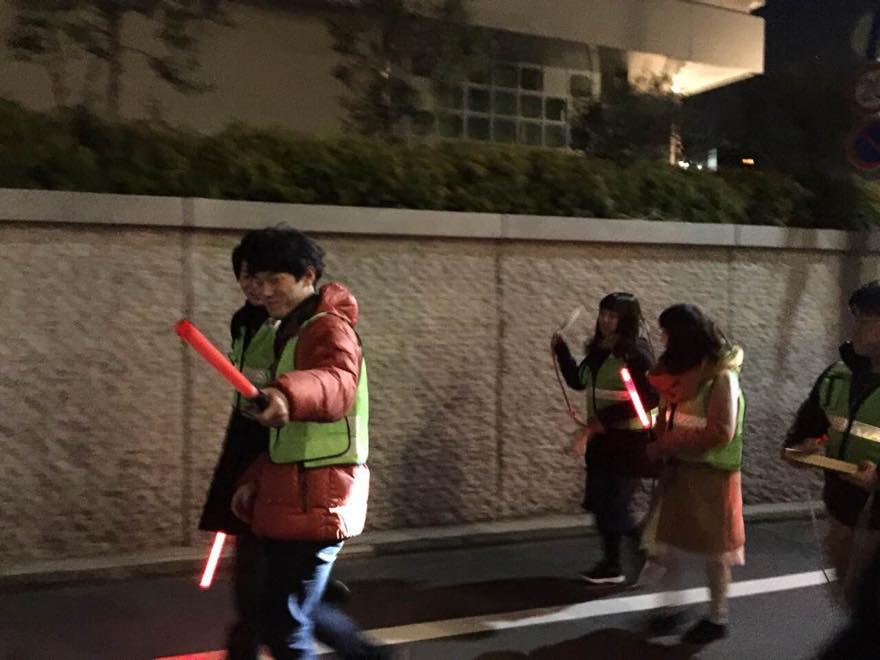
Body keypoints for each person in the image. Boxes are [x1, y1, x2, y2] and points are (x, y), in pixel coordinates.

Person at [230, 227, 387, 660]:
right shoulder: (284, 328)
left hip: (319, 496)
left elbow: (335, 381)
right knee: (283, 617)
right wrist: (255, 477)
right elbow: (285, 437)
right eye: (256, 280)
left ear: (307, 276)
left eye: (274, 280)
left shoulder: (327, 328)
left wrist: (286, 396)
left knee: (285, 626)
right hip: (295, 492)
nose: (263, 291)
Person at [645, 304, 745, 645]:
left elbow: (721, 431)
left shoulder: (721, 377)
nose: (663, 340)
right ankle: (669, 608)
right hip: (679, 470)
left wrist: (667, 442)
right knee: (663, 544)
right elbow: (668, 414)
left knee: (716, 552)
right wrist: (660, 437)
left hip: (712, 474)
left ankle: (717, 617)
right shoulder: (678, 374)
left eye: (667, 334)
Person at [198, 233, 276, 659]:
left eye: (263, 276)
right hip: (245, 437)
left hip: (277, 442)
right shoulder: (243, 320)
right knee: (259, 559)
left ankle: (247, 640)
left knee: (267, 565)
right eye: (245, 276)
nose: (254, 286)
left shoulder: (299, 326)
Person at [783, 281, 880, 609]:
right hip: (842, 512)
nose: (856, 328)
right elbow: (803, 435)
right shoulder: (836, 376)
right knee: (850, 601)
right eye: (856, 318)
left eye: (866, 319)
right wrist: (801, 450)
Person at [552, 292, 659, 585]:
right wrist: (561, 351)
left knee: (615, 506)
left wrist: (597, 424)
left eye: (613, 315)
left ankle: (648, 556)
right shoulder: (600, 350)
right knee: (600, 503)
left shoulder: (636, 354)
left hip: (629, 441)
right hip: (602, 441)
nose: (606, 320)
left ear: (627, 319)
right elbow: (578, 380)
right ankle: (612, 565)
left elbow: (649, 397)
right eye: (603, 314)